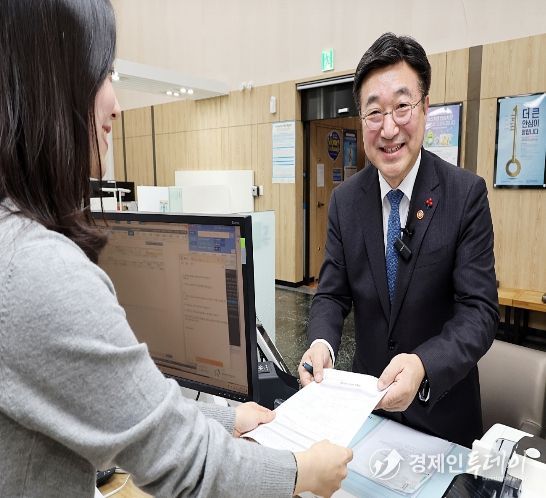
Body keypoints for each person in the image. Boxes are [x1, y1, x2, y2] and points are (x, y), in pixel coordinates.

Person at [0, 1, 352, 497]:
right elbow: (183, 464)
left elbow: (121, 407)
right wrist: (301, 472)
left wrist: (226, 417)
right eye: (102, 75)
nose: (115, 105)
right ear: (52, 87)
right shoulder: (38, 270)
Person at [299, 32, 499, 448]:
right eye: (374, 112)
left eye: (402, 107)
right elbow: (332, 294)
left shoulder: (465, 195)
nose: (389, 129)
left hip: (443, 415)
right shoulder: (345, 201)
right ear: (361, 120)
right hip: (366, 413)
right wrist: (320, 344)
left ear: (424, 108)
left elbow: (479, 311)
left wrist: (424, 364)